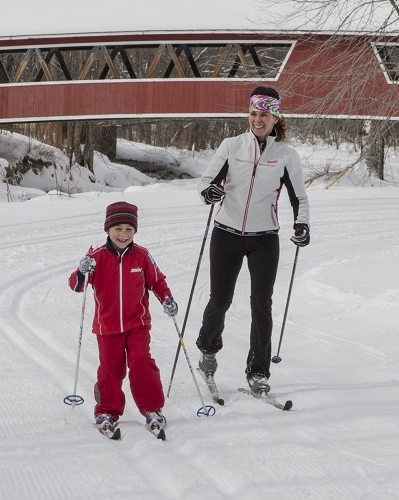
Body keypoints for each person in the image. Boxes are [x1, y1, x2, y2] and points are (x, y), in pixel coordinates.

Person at [195, 85, 310, 396]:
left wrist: (302, 225)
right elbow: (206, 183)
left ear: (275, 117)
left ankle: (258, 371)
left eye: (264, 114)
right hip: (226, 233)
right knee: (220, 299)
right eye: (253, 113)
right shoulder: (232, 146)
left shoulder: (285, 155)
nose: (257, 120)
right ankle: (207, 349)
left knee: (261, 303)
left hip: (264, 238)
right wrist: (211, 193)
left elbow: (298, 196)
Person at [68, 201, 178, 437]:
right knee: (110, 369)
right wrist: (82, 270)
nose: (123, 234)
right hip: (107, 327)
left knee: (141, 363)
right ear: (107, 229)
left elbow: (157, 281)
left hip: (137, 324)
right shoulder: (96, 257)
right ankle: (107, 410)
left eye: (129, 229)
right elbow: (77, 285)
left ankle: (152, 409)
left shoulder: (142, 256)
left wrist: (166, 299)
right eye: (118, 228)